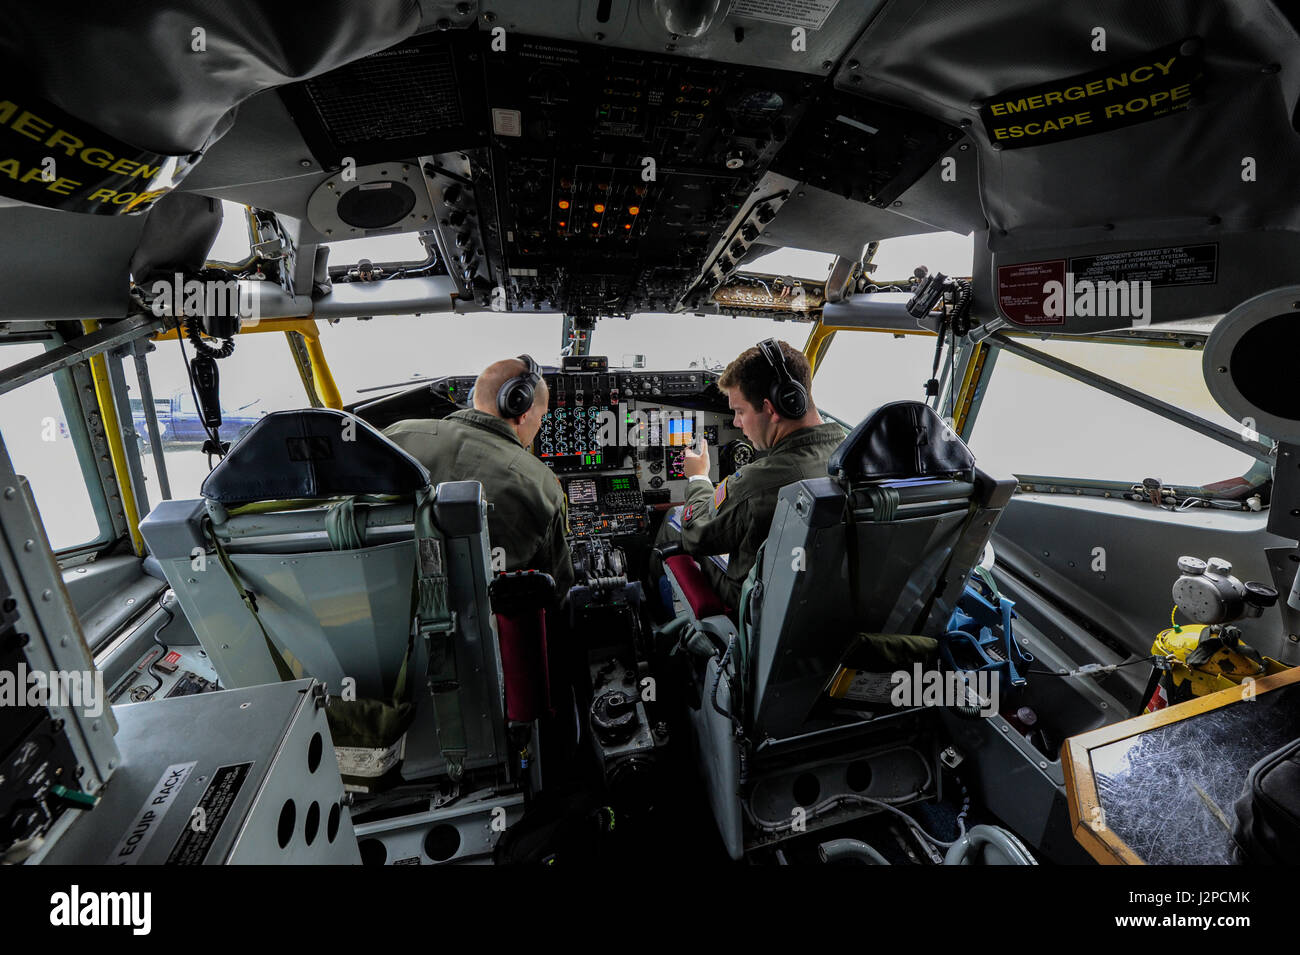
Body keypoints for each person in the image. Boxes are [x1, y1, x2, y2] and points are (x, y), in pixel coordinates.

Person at [660, 339, 844, 608]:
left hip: (756, 605)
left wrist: (698, 477)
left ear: (771, 409)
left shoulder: (757, 483)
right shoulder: (851, 455)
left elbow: (696, 535)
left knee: (673, 521)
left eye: (739, 411)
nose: (735, 423)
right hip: (821, 599)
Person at [383, 355, 574, 597]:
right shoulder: (541, 484)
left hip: (378, 609)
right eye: (542, 416)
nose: (539, 425)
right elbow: (556, 592)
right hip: (483, 629)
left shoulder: (395, 437)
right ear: (521, 410)